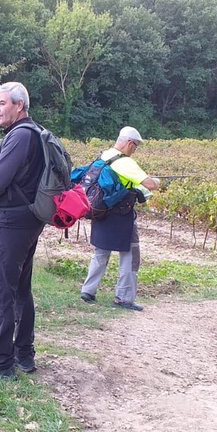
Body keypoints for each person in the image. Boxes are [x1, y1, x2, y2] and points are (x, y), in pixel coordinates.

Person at [0, 82, 45, 380]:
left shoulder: (20, 136)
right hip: (29, 219)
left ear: (19, 105)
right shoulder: (36, 133)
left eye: (1, 103)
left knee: (1, 291)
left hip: (13, 222)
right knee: (20, 289)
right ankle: (24, 355)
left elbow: (0, 175)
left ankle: (2, 363)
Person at [79, 126, 160, 311]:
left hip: (101, 212)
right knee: (130, 255)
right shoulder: (126, 163)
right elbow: (150, 185)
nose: (135, 150)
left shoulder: (105, 155)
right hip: (121, 215)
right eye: (136, 146)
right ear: (130, 143)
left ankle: (88, 291)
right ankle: (124, 298)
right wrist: (157, 181)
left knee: (101, 253)